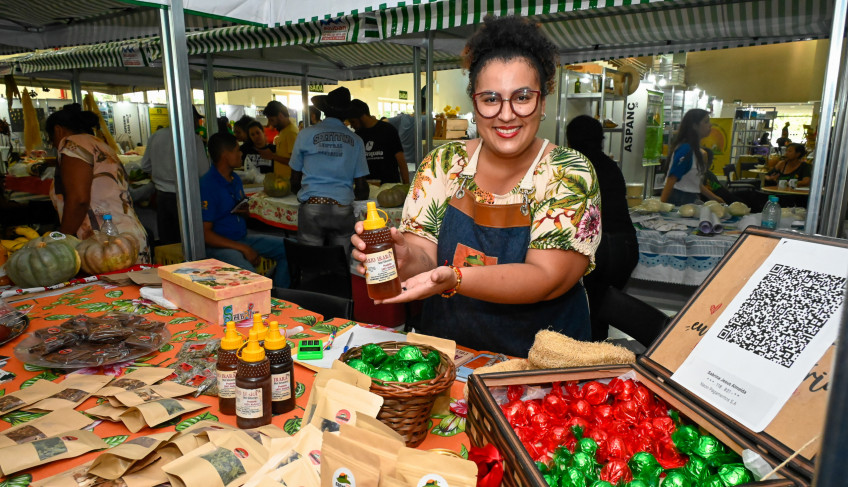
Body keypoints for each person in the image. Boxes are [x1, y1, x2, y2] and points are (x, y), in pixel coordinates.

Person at [351, 16, 601, 356]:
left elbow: (546, 277)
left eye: (522, 97)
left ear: (543, 103)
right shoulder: (442, 165)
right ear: (475, 104)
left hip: (540, 369)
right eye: (491, 99)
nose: (507, 114)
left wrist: (456, 278)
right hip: (451, 354)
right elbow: (425, 260)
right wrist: (404, 258)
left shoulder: (568, 173)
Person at [46, 103, 150, 263]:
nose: (53, 144)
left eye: (50, 138)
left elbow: (79, 200)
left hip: (105, 242)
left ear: (58, 130)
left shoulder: (72, 146)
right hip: (126, 235)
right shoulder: (99, 144)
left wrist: (62, 240)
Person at [566, 115, 637, 342]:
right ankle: (597, 355)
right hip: (626, 246)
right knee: (600, 311)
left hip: (598, 247)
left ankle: (584, 366)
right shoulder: (610, 165)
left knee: (584, 312)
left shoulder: (572, 166)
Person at [200, 132, 290, 287]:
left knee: (291, 248)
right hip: (219, 246)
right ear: (225, 155)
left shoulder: (235, 180)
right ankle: (266, 295)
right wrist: (244, 249)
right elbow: (205, 234)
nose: (241, 154)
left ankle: (279, 295)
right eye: (237, 150)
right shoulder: (207, 185)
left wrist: (245, 212)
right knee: (251, 278)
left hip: (242, 237)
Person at [289, 87, 370, 256]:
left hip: (312, 207)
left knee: (310, 262)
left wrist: (306, 194)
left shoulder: (305, 135)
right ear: (346, 114)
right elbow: (362, 187)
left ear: (325, 111)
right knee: (340, 263)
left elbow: (294, 180)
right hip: (342, 209)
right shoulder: (356, 140)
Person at [141, 106, 210, 245]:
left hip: (161, 197)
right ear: (189, 119)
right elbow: (204, 171)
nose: (198, 123)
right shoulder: (193, 139)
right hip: (186, 198)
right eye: (197, 119)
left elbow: (145, 166)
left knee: (168, 241)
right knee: (188, 244)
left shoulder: (156, 136)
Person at [660, 108, 725, 206]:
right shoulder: (686, 149)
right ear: (695, 126)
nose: (710, 125)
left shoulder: (696, 150)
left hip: (690, 197)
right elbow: (672, 178)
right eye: (706, 122)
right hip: (679, 199)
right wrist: (661, 206)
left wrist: (716, 199)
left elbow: (695, 183)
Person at [347, 99, 410, 185]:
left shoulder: (388, 130)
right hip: (369, 188)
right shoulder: (357, 135)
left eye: (352, 121)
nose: (351, 125)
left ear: (361, 117)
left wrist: (406, 186)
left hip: (390, 186)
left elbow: (401, 160)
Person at [263, 100, 299, 179]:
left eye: (272, 120)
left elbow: (295, 162)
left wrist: (272, 156)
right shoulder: (284, 130)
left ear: (280, 116)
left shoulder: (291, 132)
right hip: (282, 180)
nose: (270, 123)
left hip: (288, 181)